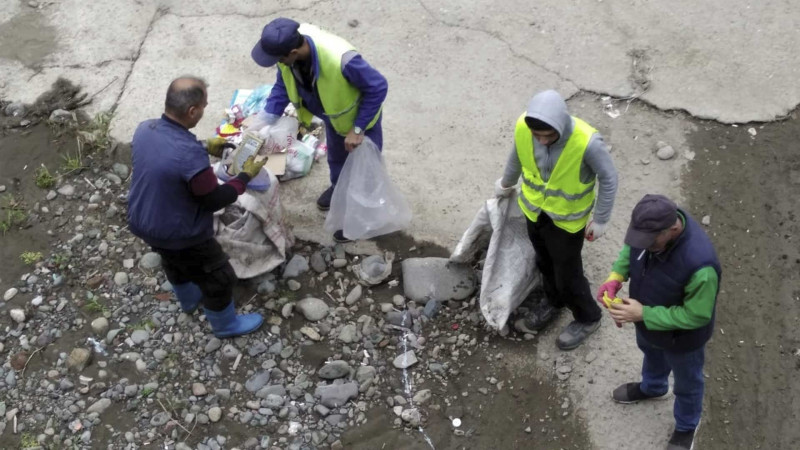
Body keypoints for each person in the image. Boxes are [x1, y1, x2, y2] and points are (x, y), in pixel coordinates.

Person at [127, 76, 266, 338]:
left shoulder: (145, 128)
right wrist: (244, 177)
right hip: (180, 232)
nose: (205, 108)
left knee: (174, 261)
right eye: (204, 105)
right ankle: (225, 326)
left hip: (143, 220)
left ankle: (189, 301)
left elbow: (166, 156)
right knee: (218, 275)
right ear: (192, 111)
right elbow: (213, 200)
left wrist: (203, 144)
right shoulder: (191, 158)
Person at [496, 89, 618, 350]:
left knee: (568, 275)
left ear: (561, 125)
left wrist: (601, 220)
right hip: (535, 211)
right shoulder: (523, 126)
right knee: (543, 261)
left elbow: (609, 178)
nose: (541, 141)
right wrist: (506, 183)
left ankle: (588, 317)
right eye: (536, 135)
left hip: (567, 222)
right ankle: (553, 301)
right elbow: (517, 156)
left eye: (548, 136)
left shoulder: (587, 142)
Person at [598, 194, 721, 450]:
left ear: (673, 229)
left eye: (649, 242)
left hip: (683, 340)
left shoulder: (701, 265)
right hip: (649, 325)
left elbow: (697, 315)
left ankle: (687, 426)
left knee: (688, 383)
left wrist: (644, 314)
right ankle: (654, 388)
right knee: (651, 354)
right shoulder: (650, 231)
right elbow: (631, 249)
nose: (643, 245)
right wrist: (616, 277)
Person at [249, 17, 388, 243]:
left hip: (358, 122)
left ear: (292, 52)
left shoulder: (342, 60)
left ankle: (362, 221)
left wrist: (358, 128)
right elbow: (283, 84)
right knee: (337, 159)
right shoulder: (288, 55)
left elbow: (378, 87)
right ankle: (338, 189)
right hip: (334, 118)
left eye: (278, 60)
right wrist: (266, 118)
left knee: (365, 173)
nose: (278, 63)